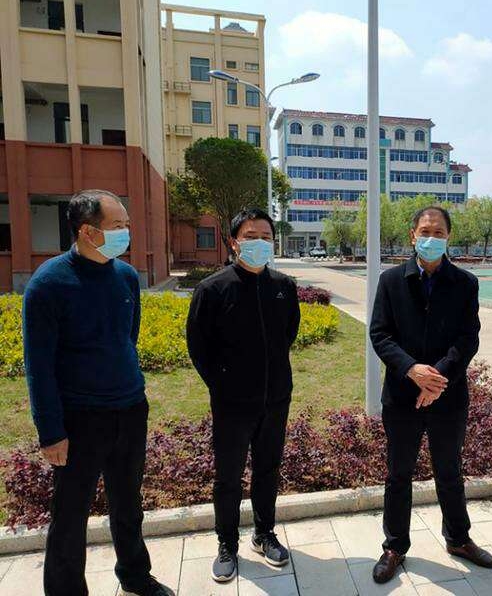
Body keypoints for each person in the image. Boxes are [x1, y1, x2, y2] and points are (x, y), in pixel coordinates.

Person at [23, 190, 173, 596]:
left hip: (130, 409)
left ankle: (135, 576)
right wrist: (51, 432)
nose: (127, 233)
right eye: (118, 226)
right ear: (88, 232)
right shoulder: (48, 284)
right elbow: (38, 366)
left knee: (129, 504)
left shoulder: (126, 277)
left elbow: (127, 338)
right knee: (69, 516)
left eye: (127, 224)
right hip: (79, 419)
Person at [369, 206, 492, 584]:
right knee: (398, 473)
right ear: (412, 235)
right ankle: (394, 546)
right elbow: (380, 334)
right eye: (425, 231)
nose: (431, 238)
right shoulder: (391, 281)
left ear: (448, 237)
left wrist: (436, 378)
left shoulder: (465, 283)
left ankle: (458, 539)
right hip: (401, 396)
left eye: (438, 232)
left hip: (448, 396)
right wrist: (412, 370)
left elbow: (468, 338)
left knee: (449, 470)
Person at [186, 208, 300, 583]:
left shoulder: (283, 286)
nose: (259, 243)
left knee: (268, 469)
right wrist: (223, 385)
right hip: (232, 404)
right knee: (229, 477)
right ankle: (227, 544)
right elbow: (199, 347)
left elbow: (288, 334)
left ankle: (264, 533)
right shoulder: (213, 289)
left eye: (266, 236)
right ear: (234, 242)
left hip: (276, 400)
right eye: (251, 236)